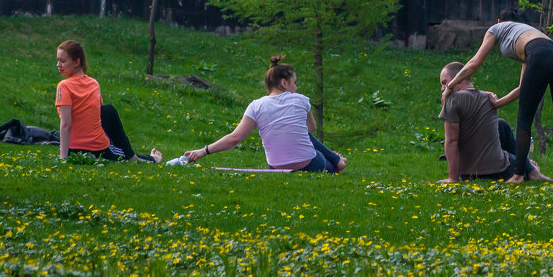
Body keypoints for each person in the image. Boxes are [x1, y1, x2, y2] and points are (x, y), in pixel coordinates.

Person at [442, 9, 553, 183]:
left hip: (539, 57)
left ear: (499, 20)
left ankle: (517, 176)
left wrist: (450, 86)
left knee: (524, 118)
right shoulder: (528, 35)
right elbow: (522, 88)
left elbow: (474, 63)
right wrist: (498, 103)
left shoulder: (496, 29)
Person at [183, 57, 347, 173]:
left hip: (276, 167)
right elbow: (310, 128)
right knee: (324, 161)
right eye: (294, 82)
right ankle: (336, 160)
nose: (296, 87)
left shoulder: (256, 106)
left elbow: (234, 138)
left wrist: (204, 151)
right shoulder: (301, 100)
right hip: (308, 163)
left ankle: (335, 158)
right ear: (284, 82)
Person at [438, 61, 551, 182]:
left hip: (468, 174)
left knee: (500, 124)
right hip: (499, 172)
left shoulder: (453, 100)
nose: (443, 88)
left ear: (459, 79)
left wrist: (453, 178)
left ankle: (528, 168)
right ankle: (531, 170)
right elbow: (453, 141)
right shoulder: (488, 97)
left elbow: (452, 140)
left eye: (445, 83)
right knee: (523, 162)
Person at [55, 40, 161, 163]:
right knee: (125, 154)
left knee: (108, 112)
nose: (58, 65)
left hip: (73, 150)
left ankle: (146, 158)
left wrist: (63, 157)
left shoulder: (64, 86)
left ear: (77, 62)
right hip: (97, 149)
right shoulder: (93, 84)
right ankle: (152, 159)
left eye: (62, 61)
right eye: (58, 60)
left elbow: (67, 124)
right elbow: (76, 122)